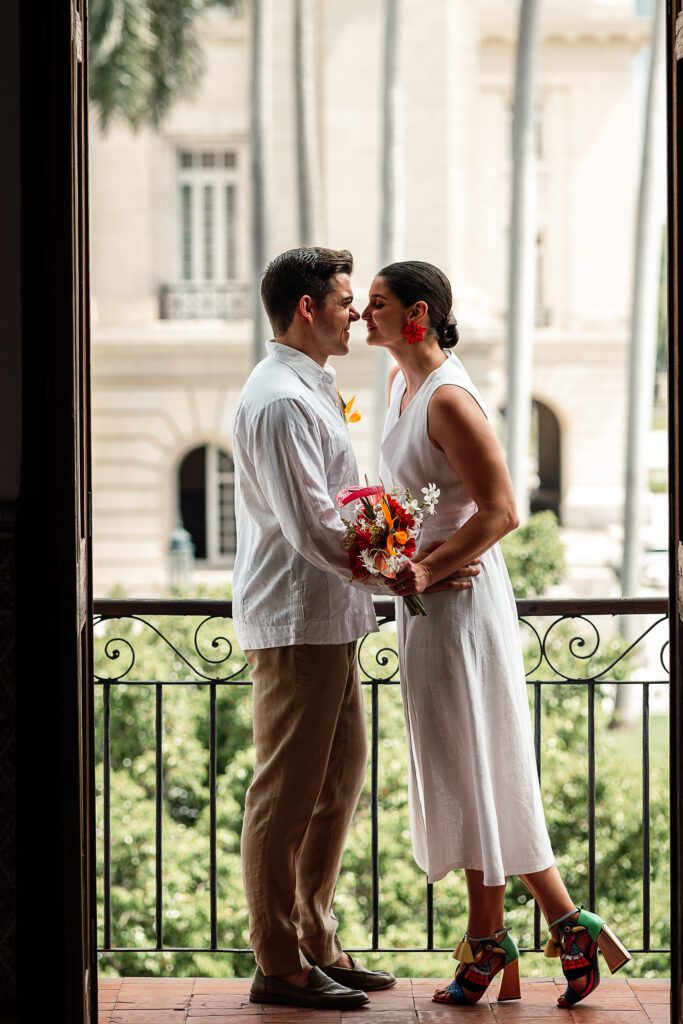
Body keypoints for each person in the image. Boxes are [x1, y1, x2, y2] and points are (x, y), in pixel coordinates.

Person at [361, 260, 631, 1009]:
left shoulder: (447, 398)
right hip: (427, 601)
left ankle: (497, 941)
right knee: (462, 765)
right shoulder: (398, 386)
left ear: (416, 314)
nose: (361, 316)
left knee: (476, 760)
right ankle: (557, 927)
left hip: (458, 605)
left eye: (376, 305)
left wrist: (426, 567)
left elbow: (502, 510)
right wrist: (396, 553)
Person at [232, 247, 478, 1010]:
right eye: (345, 300)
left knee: (336, 783)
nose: (355, 314)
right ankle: (276, 963)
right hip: (296, 616)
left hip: (330, 614)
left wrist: (391, 554)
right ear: (307, 308)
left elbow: (341, 505)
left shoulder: (309, 388)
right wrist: (400, 573)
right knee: (284, 792)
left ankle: (315, 938)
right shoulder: (279, 399)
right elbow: (311, 526)